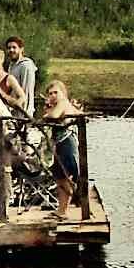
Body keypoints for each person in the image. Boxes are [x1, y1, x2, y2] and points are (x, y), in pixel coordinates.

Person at [40, 80, 85, 221]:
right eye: (50, 93)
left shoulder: (63, 103)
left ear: (63, 93)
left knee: (66, 176)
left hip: (67, 143)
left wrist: (48, 113)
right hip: (59, 144)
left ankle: (71, 202)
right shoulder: (59, 105)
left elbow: (53, 116)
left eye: (56, 92)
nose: (53, 95)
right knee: (60, 177)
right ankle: (61, 210)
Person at [4, 37, 36, 113]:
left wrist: (25, 111)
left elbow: (26, 89)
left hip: (23, 111)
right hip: (14, 109)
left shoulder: (26, 65)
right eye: (9, 48)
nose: (11, 50)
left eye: (14, 47)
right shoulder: (11, 65)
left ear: (21, 49)